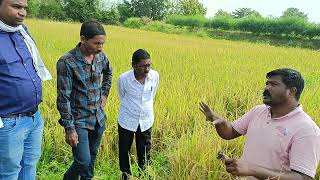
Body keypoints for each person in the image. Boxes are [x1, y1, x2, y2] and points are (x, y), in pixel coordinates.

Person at [200, 68, 320, 180]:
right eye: (267, 83)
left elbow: (303, 177)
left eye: (273, 84)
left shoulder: (306, 129)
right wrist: (218, 121)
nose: (267, 88)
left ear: (292, 91)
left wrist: (252, 170)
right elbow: (230, 132)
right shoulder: (258, 111)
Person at [0, 0, 52, 179]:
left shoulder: (22, 32)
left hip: (34, 117)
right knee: (8, 172)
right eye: (16, 7)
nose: (22, 12)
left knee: (29, 165)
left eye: (24, 8)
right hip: (8, 122)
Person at [57, 20, 112, 180]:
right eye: (96, 43)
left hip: (97, 118)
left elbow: (109, 72)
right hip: (79, 120)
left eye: (102, 43)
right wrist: (69, 129)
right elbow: (63, 98)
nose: (100, 47)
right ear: (83, 39)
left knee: (92, 157)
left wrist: (104, 94)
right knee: (83, 160)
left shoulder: (100, 57)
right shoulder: (67, 62)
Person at [117, 49, 159, 180]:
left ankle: (144, 175)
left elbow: (152, 95)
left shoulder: (155, 76)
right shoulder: (124, 79)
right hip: (127, 119)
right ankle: (126, 176)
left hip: (146, 120)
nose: (147, 69)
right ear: (134, 65)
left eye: (149, 65)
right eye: (143, 66)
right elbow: (121, 95)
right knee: (124, 150)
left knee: (145, 151)